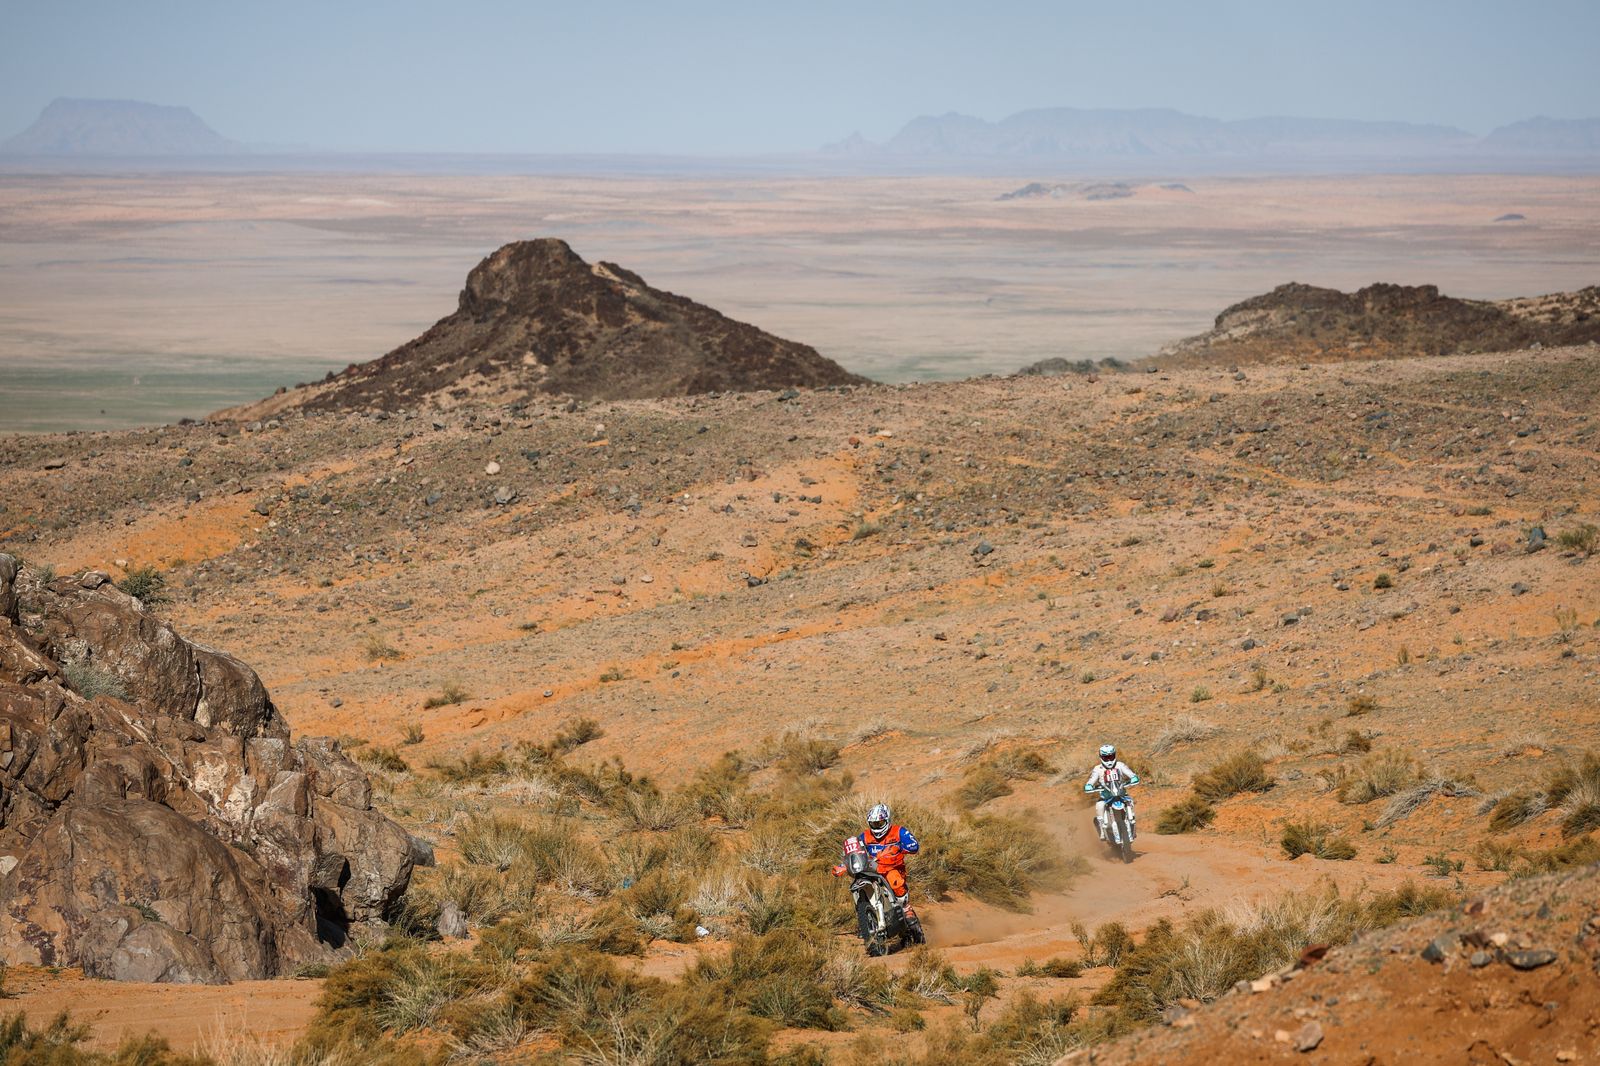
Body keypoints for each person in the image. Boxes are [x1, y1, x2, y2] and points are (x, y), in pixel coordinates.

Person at [832, 803, 923, 928]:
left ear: (887, 820)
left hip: (893, 867)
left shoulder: (898, 831)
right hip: (872, 868)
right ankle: (864, 919)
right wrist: (843, 865)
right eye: (874, 824)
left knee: (895, 881)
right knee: (858, 886)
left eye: (879, 823)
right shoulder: (865, 836)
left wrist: (899, 847)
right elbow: (854, 852)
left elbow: (914, 846)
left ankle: (906, 909)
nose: (877, 827)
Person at [1084, 743, 1140, 840]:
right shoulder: (1098, 769)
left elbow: (1130, 773)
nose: (1109, 760)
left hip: (1121, 794)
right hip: (1106, 797)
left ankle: (1132, 825)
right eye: (1106, 758)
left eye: (1111, 756)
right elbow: (1092, 779)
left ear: (1114, 755)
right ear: (1101, 757)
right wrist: (1089, 785)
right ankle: (1102, 831)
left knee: (1130, 802)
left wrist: (1134, 778)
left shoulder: (1120, 765)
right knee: (1100, 806)